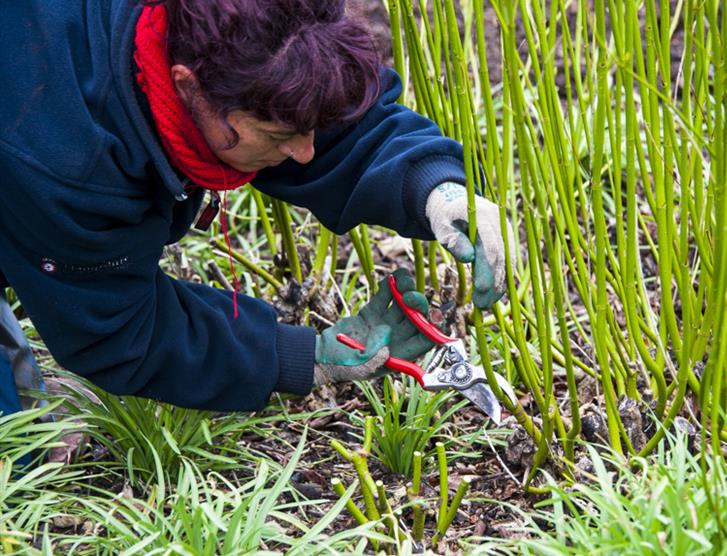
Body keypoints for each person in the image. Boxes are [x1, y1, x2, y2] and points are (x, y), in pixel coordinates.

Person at [0, 0, 510, 442]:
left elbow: (319, 113)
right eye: (277, 135)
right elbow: (118, 326)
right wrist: (301, 356)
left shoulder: (242, 37)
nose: (304, 153)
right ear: (187, 86)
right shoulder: (66, 158)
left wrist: (435, 187)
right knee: (13, 454)